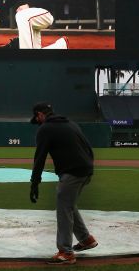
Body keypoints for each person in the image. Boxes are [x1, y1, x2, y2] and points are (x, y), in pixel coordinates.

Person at [29, 102, 97, 265]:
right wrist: (88, 168)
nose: (37, 122)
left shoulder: (45, 128)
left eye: (37, 119)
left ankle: (66, 252)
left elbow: (40, 158)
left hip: (72, 172)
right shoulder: (70, 123)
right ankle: (86, 239)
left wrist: (34, 183)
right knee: (68, 204)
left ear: (40, 115)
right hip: (85, 169)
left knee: (64, 207)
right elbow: (88, 148)